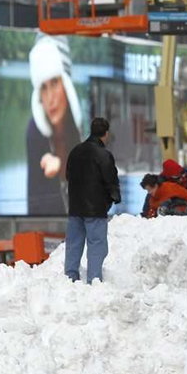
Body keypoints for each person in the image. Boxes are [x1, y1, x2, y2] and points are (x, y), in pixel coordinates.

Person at [27, 34, 83, 215]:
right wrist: (51, 176)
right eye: (43, 88)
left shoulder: (88, 129)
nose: (50, 98)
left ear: (67, 85)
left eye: (55, 83)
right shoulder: (34, 132)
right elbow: (35, 208)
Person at [64, 117, 120, 283]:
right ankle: (94, 279)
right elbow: (110, 179)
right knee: (96, 244)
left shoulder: (75, 151)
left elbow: (68, 175)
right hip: (95, 208)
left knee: (73, 243)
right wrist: (114, 197)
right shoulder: (103, 155)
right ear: (106, 133)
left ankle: (70, 277)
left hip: (75, 206)